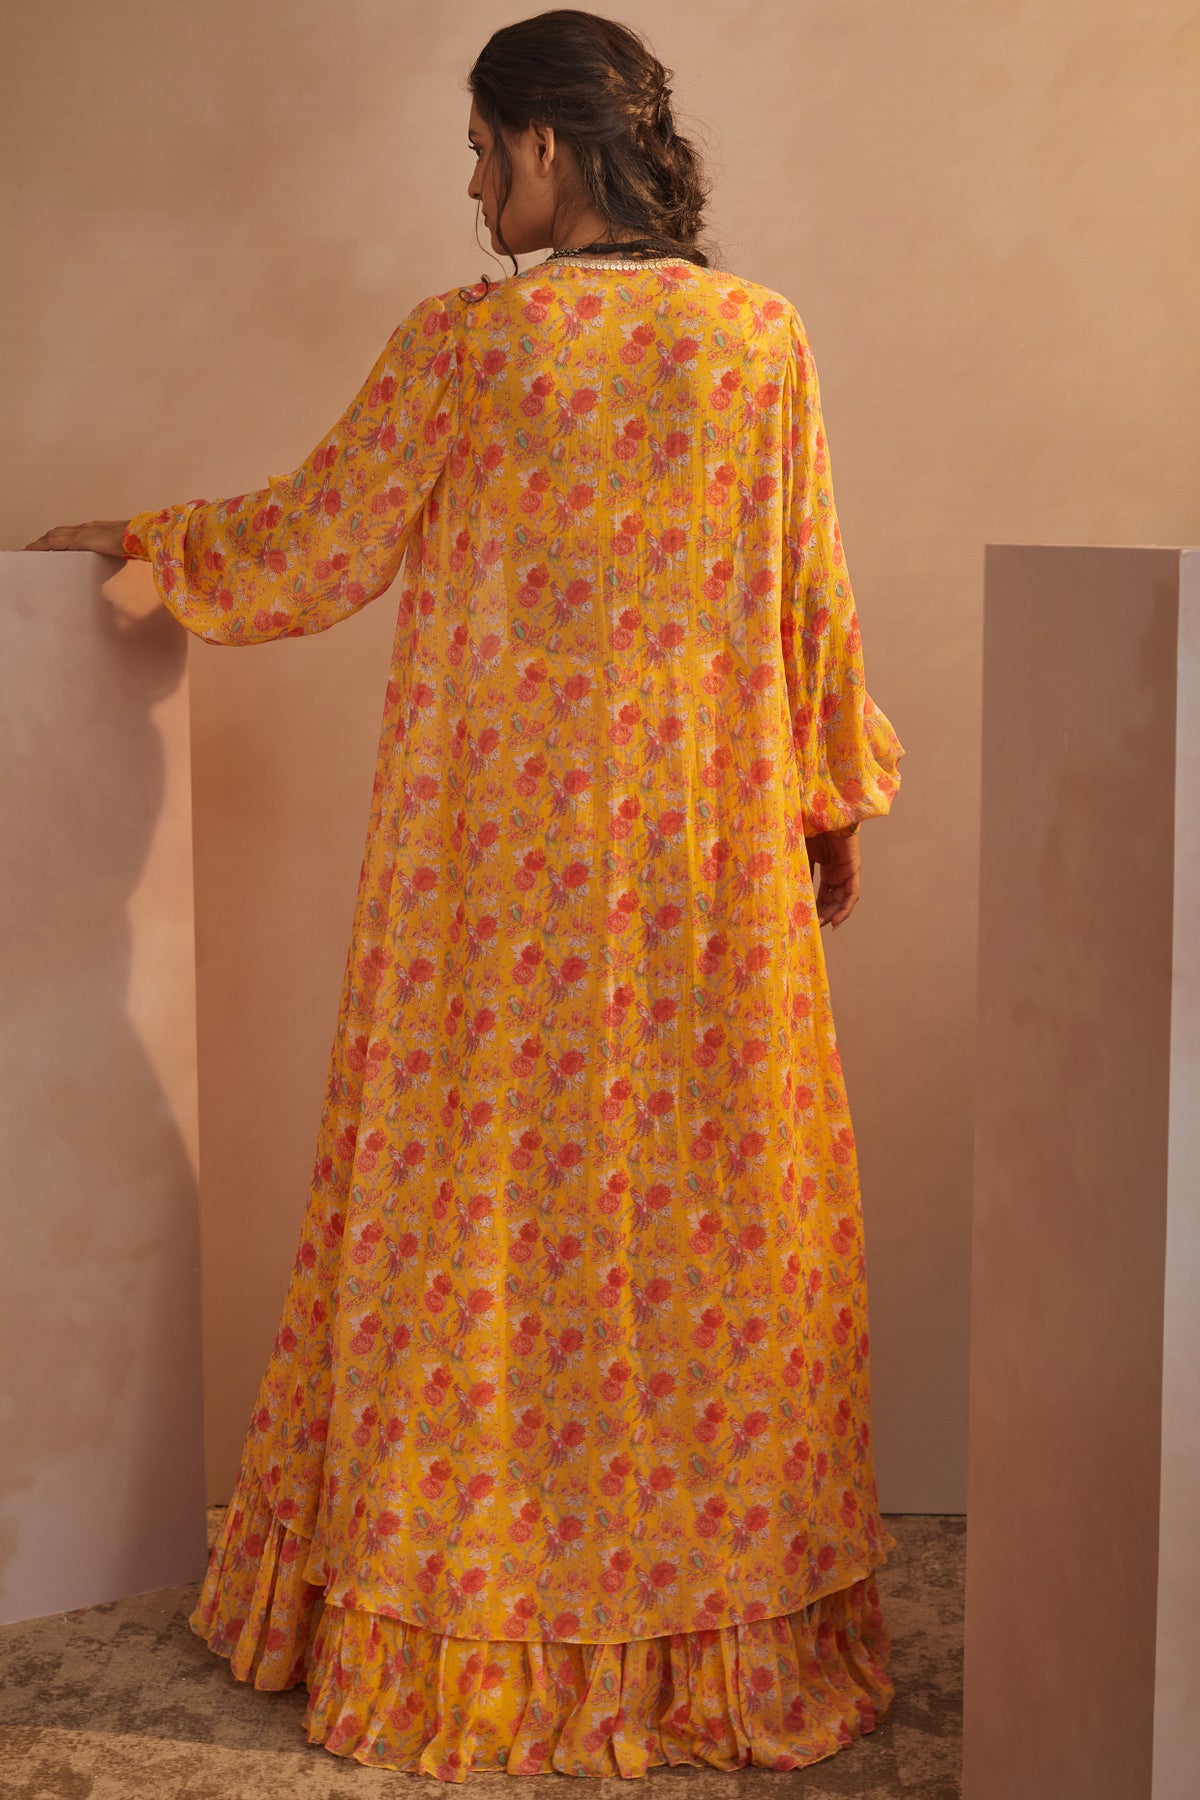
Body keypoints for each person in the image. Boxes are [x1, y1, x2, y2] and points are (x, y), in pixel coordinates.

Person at [24, 6, 905, 1780]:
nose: (476, 191)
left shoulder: (468, 349)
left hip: (496, 893)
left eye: (483, 153)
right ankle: (708, 1635)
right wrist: (828, 802)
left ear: (548, 148)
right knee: (706, 1224)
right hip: (702, 873)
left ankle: (472, 1608)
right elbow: (809, 596)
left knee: (486, 1223)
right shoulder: (762, 340)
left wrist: (151, 538)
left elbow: (316, 540)